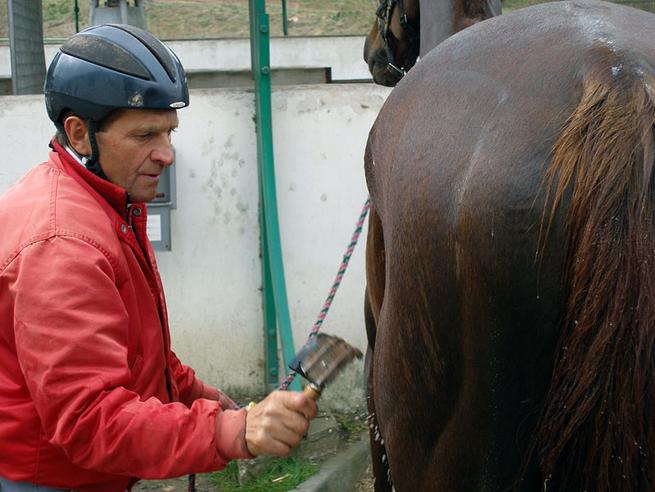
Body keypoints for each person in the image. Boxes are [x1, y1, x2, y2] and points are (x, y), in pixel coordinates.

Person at [0, 24, 317, 491]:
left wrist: (201, 399)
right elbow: (90, 420)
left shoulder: (101, 203)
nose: (166, 154)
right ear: (80, 134)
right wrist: (230, 431)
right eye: (145, 134)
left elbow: (136, 352)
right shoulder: (63, 244)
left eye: (169, 132)